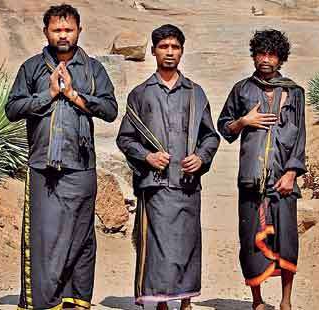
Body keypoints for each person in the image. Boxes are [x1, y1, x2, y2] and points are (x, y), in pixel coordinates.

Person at [5, 4, 118, 309]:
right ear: (46, 32)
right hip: (43, 167)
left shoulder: (94, 69)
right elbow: (12, 109)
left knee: (81, 239)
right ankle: (43, 302)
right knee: (43, 240)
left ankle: (74, 301)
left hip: (81, 167)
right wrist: (49, 95)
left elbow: (110, 110)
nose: (63, 35)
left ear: (79, 31)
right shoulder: (31, 68)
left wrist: (74, 97)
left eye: (68, 29)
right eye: (57, 30)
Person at [116, 24, 220, 310]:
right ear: (153, 51)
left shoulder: (196, 93)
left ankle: (186, 302)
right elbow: (125, 138)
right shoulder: (141, 93)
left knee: (188, 244)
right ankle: (161, 303)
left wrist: (200, 157)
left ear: (182, 51)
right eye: (164, 47)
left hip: (187, 184)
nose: (170, 52)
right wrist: (147, 158)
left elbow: (210, 135)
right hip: (156, 185)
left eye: (175, 47)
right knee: (160, 248)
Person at [216, 29, 306, 310]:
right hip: (251, 181)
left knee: (287, 242)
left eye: (272, 55)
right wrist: (244, 121)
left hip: (283, 181)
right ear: (254, 55)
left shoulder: (295, 92)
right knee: (251, 242)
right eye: (261, 53)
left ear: (281, 59)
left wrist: (292, 173)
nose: (266, 60)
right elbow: (224, 127)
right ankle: (257, 302)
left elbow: (300, 135)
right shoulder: (242, 89)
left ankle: (286, 301)